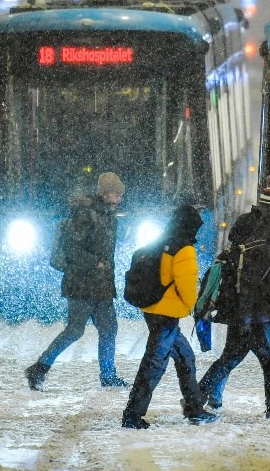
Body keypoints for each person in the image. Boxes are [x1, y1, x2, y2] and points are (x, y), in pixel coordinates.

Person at [198, 183, 270, 420]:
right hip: (255, 315)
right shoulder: (262, 249)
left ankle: (200, 396)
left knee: (231, 357)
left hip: (242, 311)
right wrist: (247, 319)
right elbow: (250, 288)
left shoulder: (248, 230)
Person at [25, 172, 127, 391]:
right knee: (74, 330)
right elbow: (72, 249)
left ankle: (108, 375)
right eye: (116, 194)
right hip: (81, 284)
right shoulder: (86, 215)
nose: (119, 199)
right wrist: (95, 264)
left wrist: (107, 275)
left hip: (101, 286)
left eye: (120, 195)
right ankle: (39, 368)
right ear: (105, 193)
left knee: (109, 329)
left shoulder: (109, 217)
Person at [122, 205, 219, 428]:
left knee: (186, 357)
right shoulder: (183, 249)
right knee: (153, 365)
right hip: (166, 315)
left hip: (152, 310)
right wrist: (192, 306)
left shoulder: (158, 243)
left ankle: (194, 408)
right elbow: (187, 288)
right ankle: (132, 416)